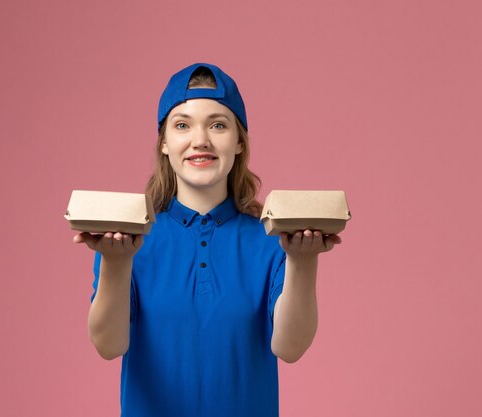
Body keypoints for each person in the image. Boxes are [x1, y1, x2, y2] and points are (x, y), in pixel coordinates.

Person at [73, 63, 342, 417]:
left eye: (218, 125)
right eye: (182, 125)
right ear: (165, 144)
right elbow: (108, 346)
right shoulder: (127, 239)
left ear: (239, 142)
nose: (200, 140)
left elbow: (290, 348)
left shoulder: (270, 239)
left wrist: (303, 261)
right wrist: (116, 262)